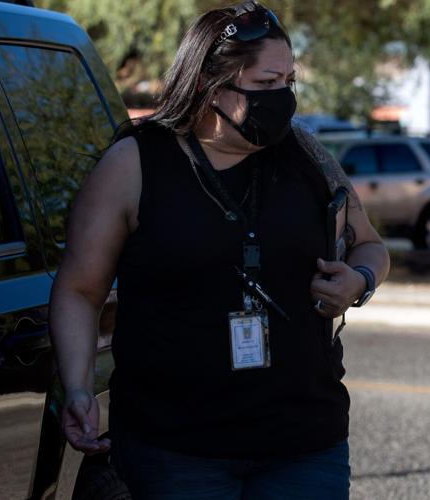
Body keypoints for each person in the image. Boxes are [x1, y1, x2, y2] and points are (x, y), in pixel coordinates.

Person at [48, 2, 389, 498]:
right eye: (267, 84)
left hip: (305, 443)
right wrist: (77, 387)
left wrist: (359, 281)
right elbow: (80, 290)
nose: (283, 99)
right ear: (212, 84)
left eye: (289, 83)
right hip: (175, 451)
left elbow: (372, 246)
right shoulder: (136, 164)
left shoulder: (308, 157)